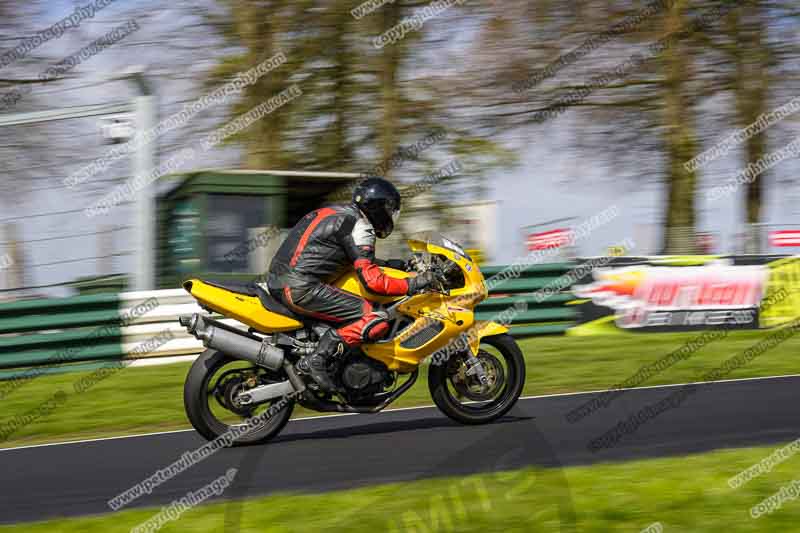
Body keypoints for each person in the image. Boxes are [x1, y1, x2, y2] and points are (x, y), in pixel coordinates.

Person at [265, 177, 437, 391]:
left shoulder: (337, 213)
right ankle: (317, 359)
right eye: (390, 209)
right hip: (301, 287)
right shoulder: (361, 226)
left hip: (282, 281)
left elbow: (345, 257)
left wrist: (397, 265)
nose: (391, 215)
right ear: (378, 207)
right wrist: (415, 284)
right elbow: (373, 282)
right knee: (376, 318)